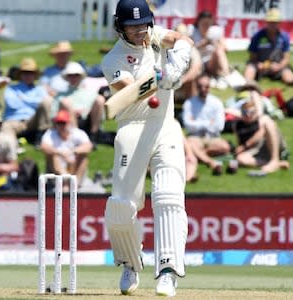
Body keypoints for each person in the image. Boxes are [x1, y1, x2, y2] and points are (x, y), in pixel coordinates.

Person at [100, 0, 193, 296]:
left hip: (164, 128)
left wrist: (179, 58)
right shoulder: (113, 60)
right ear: (120, 28)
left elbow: (182, 40)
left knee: (168, 196)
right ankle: (130, 262)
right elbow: (129, 92)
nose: (140, 31)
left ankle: (167, 271)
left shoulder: (153, 35)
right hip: (132, 130)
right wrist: (162, 78)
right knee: (120, 207)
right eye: (132, 26)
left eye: (144, 24)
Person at [182, 73, 231, 175]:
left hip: (212, 137)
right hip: (195, 137)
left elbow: (219, 126)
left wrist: (197, 123)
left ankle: (199, 155)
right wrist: (208, 123)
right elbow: (188, 125)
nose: (203, 89)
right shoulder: (189, 103)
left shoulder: (216, 102)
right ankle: (210, 162)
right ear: (196, 86)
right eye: (200, 86)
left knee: (225, 147)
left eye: (206, 86)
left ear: (210, 86)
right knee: (189, 143)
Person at [1, 57, 53, 144]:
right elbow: (13, 104)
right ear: (20, 74)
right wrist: (34, 102)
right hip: (15, 121)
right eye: (25, 73)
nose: (28, 76)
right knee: (6, 126)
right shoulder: (11, 88)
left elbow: (45, 103)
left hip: (32, 120)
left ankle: (41, 137)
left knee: (47, 101)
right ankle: (13, 148)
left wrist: (24, 98)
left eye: (31, 73)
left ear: (34, 75)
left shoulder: (40, 89)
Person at [51, 61, 105, 142]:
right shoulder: (60, 95)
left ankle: (94, 135)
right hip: (68, 123)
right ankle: (77, 137)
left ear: (81, 77)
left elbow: (101, 114)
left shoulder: (91, 93)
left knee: (100, 99)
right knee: (65, 102)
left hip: (88, 121)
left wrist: (84, 112)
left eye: (76, 75)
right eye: (70, 75)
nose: (73, 78)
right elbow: (53, 115)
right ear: (67, 77)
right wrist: (72, 112)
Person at [39, 109, 93, 189]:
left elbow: (88, 146)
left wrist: (72, 152)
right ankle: (65, 181)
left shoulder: (78, 133)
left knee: (83, 156)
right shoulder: (50, 133)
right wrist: (60, 153)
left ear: (69, 123)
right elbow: (43, 147)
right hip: (56, 170)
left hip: (74, 167)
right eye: (58, 123)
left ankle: (74, 184)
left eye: (63, 123)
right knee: (52, 155)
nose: (61, 126)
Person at [233, 100, 289, 175]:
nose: (248, 115)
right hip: (256, 150)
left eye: (251, 112)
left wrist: (244, 146)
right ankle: (276, 163)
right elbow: (239, 143)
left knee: (267, 121)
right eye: (245, 112)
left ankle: (275, 159)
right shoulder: (237, 125)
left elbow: (260, 134)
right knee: (240, 159)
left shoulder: (261, 120)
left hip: (270, 144)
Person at [244, 8, 293, 85]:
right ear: (266, 22)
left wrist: (279, 66)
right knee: (248, 77)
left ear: (279, 23)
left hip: (278, 65)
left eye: (275, 22)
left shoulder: (284, 36)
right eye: (270, 22)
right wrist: (259, 64)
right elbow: (252, 57)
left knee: (290, 80)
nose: (273, 25)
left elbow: (286, 58)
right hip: (260, 65)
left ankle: (278, 75)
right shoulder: (257, 36)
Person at [190, 10, 230, 87]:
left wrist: (215, 43)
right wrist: (202, 44)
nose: (206, 26)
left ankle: (226, 76)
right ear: (198, 22)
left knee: (219, 50)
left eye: (208, 24)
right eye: (204, 24)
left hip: (211, 62)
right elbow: (188, 50)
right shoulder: (192, 31)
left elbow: (226, 49)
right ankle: (218, 76)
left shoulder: (215, 31)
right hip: (197, 62)